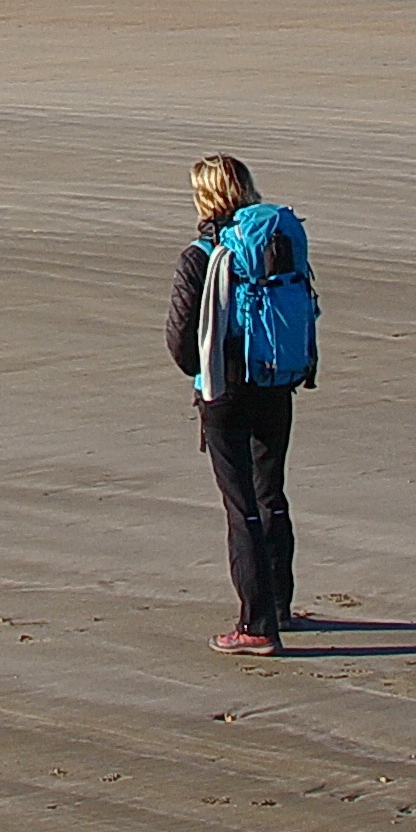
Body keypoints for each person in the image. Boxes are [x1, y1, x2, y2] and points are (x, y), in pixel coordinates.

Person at [164, 154, 314, 655]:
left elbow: (182, 346)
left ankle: (256, 625)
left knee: (241, 506)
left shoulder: (203, 254)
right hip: (278, 380)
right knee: (272, 495)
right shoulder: (275, 238)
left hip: (226, 390)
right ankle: (280, 607)